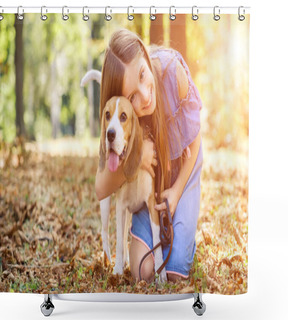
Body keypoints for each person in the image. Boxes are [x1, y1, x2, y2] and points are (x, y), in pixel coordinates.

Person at [95, 28, 203, 282]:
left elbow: (196, 140)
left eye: (143, 74)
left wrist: (176, 192)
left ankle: (183, 237)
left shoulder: (172, 71)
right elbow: (101, 189)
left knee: (175, 273)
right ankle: (169, 240)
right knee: (142, 272)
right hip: (150, 178)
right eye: (131, 96)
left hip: (185, 166)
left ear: (145, 53)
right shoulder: (122, 122)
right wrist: (139, 158)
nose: (145, 96)